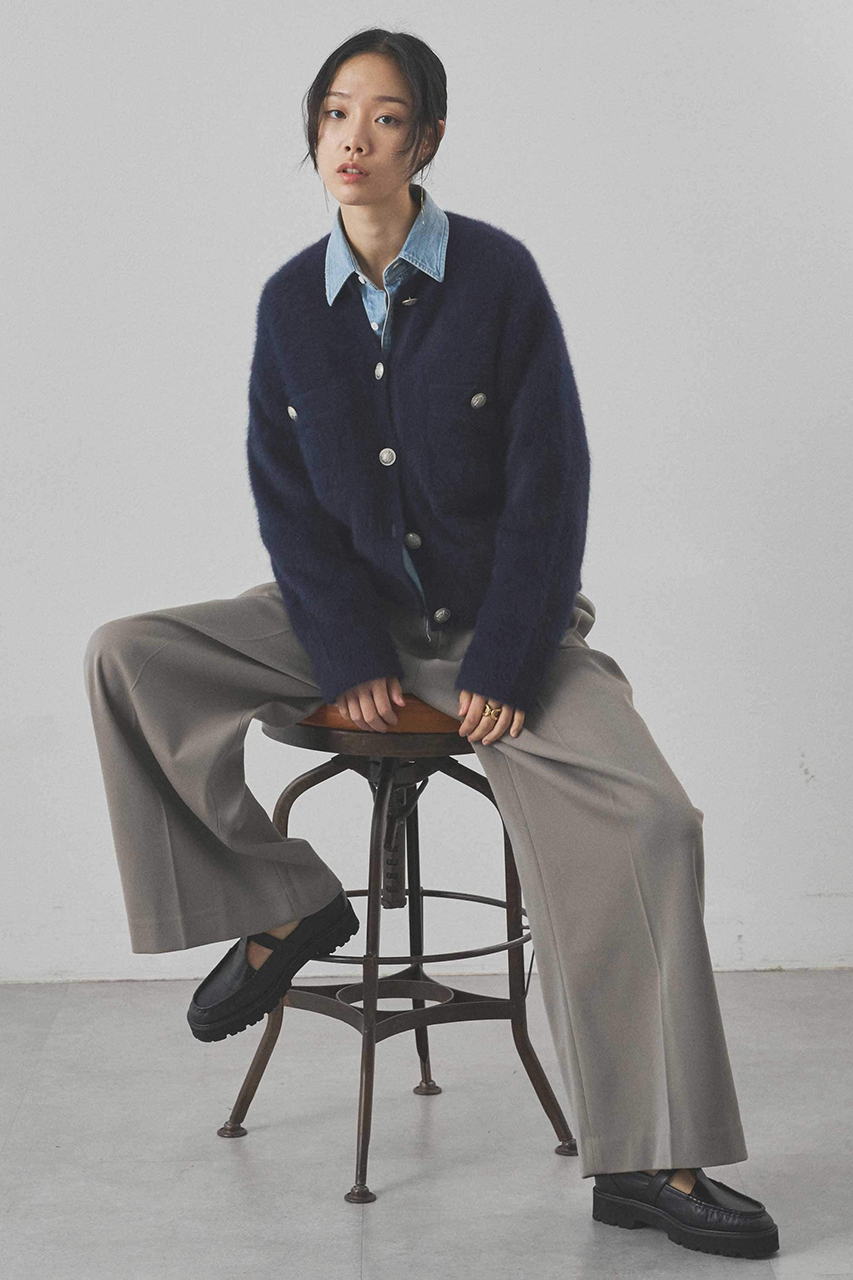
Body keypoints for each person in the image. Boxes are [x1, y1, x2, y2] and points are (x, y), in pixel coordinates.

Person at [83, 26, 779, 1261]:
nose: (353, 137)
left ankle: (650, 1161)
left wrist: (506, 662)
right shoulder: (290, 302)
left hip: (497, 628)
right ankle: (286, 903)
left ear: (428, 139)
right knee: (127, 654)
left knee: (656, 822)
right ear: (313, 131)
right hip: (341, 623)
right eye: (334, 113)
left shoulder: (497, 278)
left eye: (386, 116)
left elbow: (550, 484)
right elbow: (289, 503)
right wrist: (348, 648)